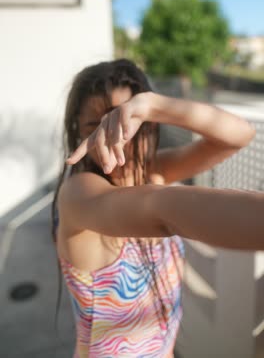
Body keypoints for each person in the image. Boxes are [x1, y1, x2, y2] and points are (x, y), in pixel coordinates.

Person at [51, 58, 261, 358]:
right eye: (95, 127)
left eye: (124, 122)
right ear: (78, 133)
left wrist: (153, 104)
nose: (116, 139)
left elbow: (240, 135)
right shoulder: (78, 195)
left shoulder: (153, 172)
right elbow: (161, 206)